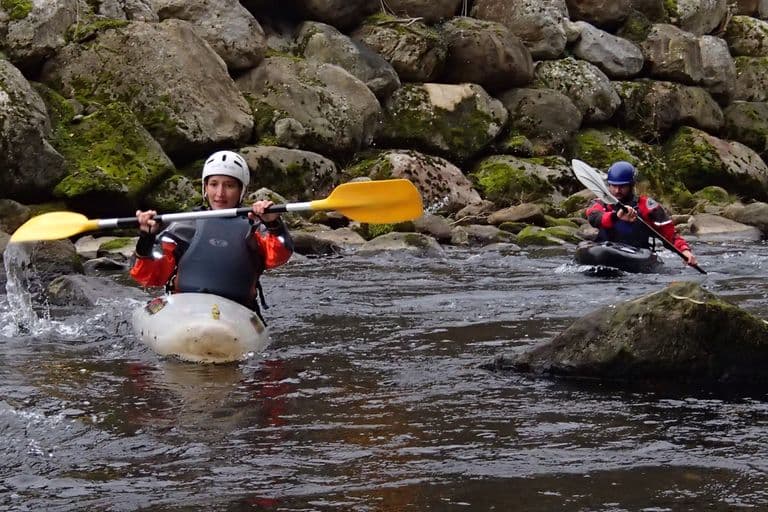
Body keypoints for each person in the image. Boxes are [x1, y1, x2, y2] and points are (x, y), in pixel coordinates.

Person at [130, 150, 293, 315]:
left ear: (241, 190)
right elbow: (149, 276)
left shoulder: (255, 227)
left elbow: (280, 256)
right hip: (185, 311)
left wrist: (273, 223)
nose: (220, 193)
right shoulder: (184, 227)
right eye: (214, 184)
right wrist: (147, 237)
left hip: (238, 313)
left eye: (229, 185)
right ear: (205, 187)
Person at [585, 160, 698, 267]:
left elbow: (670, 235)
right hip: (604, 248)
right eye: (614, 186)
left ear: (631, 185)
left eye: (622, 186)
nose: (617, 190)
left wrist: (684, 251)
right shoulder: (600, 203)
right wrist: (616, 216)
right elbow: (594, 218)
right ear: (608, 185)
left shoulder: (647, 206)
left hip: (636, 253)